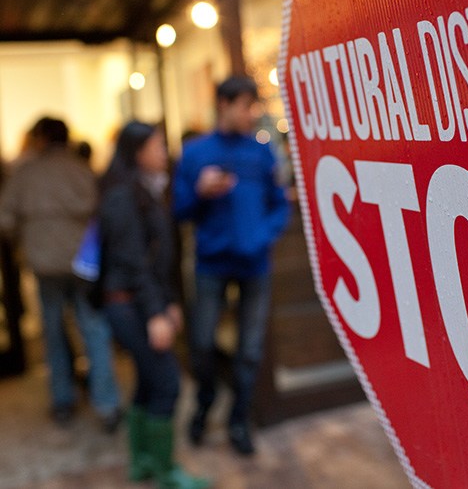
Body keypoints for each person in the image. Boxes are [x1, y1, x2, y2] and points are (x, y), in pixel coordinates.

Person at [173, 75, 289, 455]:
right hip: (211, 262)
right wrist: (200, 193)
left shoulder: (261, 152)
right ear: (223, 104)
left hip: (255, 264)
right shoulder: (195, 152)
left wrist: (264, 234)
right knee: (203, 343)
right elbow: (179, 210)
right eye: (244, 105)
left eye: (253, 105)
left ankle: (240, 420)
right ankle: (205, 402)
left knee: (250, 349)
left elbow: (280, 203)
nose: (251, 113)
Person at [97, 121, 209, 489]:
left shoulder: (146, 189)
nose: (165, 152)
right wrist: (155, 313)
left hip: (140, 301)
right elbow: (132, 263)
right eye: (158, 145)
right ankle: (166, 472)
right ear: (137, 152)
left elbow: (158, 258)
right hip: (128, 304)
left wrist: (170, 302)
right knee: (167, 383)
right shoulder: (122, 195)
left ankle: (142, 461)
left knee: (148, 380)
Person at [0, 116, 121, 430]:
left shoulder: (25, 173)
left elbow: (5, 219)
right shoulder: (80, 170)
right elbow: (103, 213)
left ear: (39, 138)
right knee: (93, 329)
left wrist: (27, 238)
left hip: (44, 266)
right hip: (82, 265)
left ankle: (63, 400)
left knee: (53, 333)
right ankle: (106, 403)